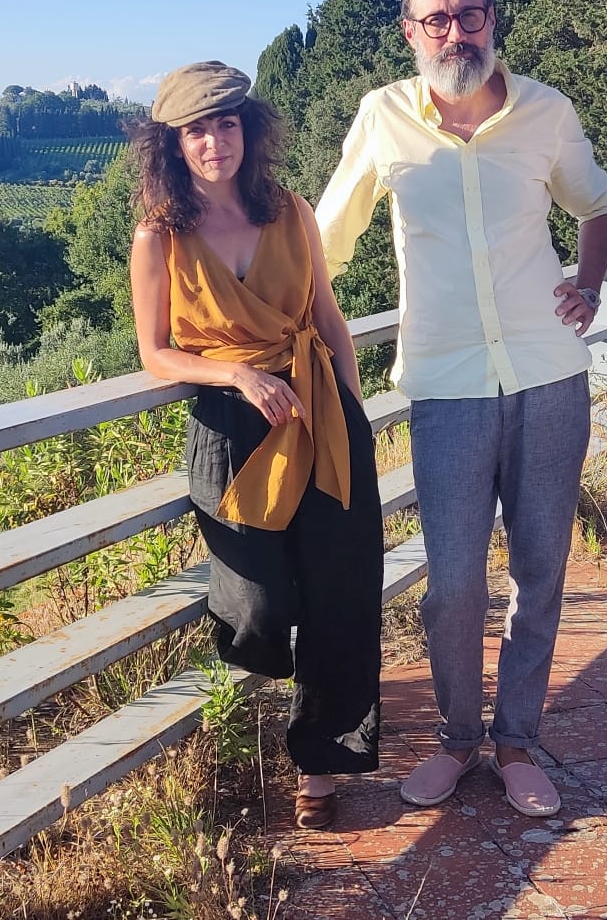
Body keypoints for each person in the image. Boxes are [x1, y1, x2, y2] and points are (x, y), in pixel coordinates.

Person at [316, 0, 607, 819]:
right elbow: (327, 239)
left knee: (540, 567)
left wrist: (590, 284)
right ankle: (456, 737)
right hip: (445, 380)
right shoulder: (382, 117)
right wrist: (287, 329)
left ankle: (516, 740)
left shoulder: (546, 110)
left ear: (493, 19)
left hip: (547, 371)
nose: (456, 32)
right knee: (451, 581)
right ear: (411, 34)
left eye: (469, 15)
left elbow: (596, 205)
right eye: (435, 21)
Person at [128, 61, 385, 831]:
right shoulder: (160, 236)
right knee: (259, 602)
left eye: (227, 123)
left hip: (321, 415)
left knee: (341, 597)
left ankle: (321, 764)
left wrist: (353, 409)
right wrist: (236, 372)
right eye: (197, 129)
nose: (215, 142)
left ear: (249, 128)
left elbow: (330, 317)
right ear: (173, 143)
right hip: (233, 426)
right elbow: (155, 351)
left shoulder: (291, 210)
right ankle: (270, 699)